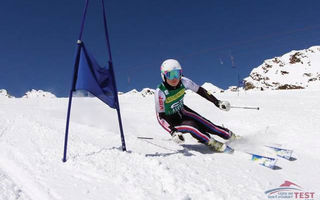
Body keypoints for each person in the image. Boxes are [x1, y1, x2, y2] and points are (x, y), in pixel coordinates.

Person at [154, 59, 238, 152]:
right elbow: (160, 117)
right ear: (163, 76)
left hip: (182, 111)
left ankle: (231, 136)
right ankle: (212, 143)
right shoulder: (160, 92)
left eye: (177, 74)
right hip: (171, 121)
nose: (174, 78)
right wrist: (172, 131)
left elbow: (201, 91)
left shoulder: (184, 82)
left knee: (208, 125)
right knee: (192, 126)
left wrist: (217, 102)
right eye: (170, 75)